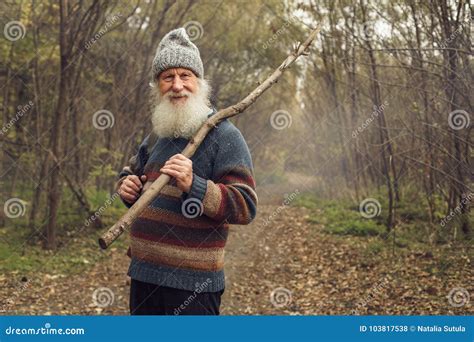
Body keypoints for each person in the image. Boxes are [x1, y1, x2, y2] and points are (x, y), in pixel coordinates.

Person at [116, 28, 258, 315]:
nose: (177, 85)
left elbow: (246, 206)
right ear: (157, 86)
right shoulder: (159, 134)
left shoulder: (225, 136)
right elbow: (133, 173)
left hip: (194, 284)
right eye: (168, 77)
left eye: (185, 76)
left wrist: (194, 184)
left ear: (199, 83)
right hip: (144, 275)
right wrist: (127, 186)